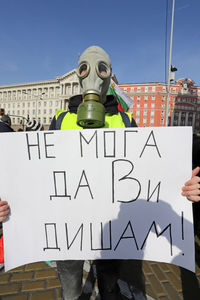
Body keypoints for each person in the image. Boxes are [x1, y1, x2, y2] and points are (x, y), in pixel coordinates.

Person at [0, 46, 200, 300]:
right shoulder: (61, 120)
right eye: (84, 68)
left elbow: (148, 173)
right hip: (68, 227)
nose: (92, 76)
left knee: (109, 286)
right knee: (70, 289)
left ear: (110, 76)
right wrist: (11, 203)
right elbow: (40, 175)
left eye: (101, 69)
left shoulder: (125, 121)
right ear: (78, 75)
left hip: (113, 229)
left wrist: (182, 190)